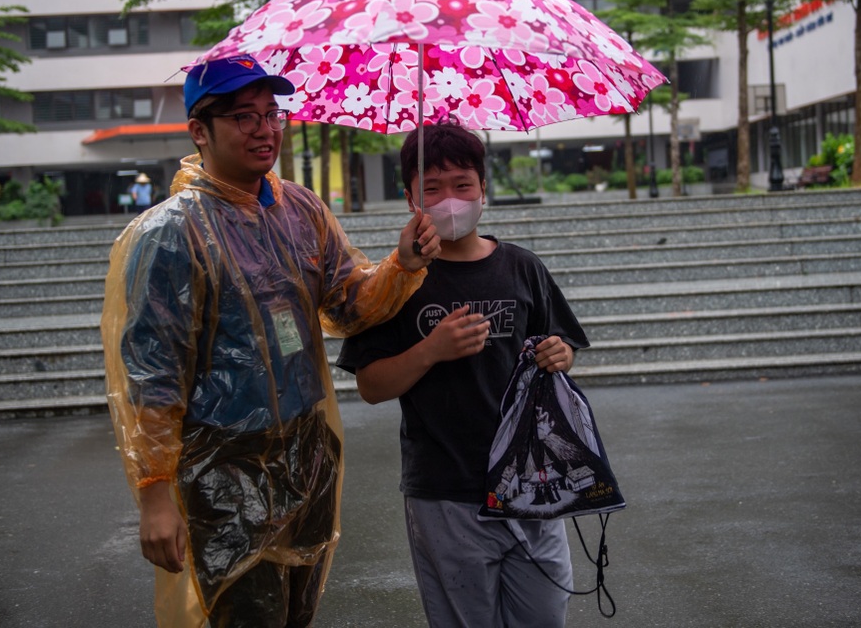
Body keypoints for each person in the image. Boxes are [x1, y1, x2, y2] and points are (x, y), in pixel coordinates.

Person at [100, 54, 440, 628]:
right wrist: (155, 493)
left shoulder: (301, 210)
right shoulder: (170, 233)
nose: (265, 129)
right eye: (243, 116)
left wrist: (402, 265)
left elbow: (347, 304)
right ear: (199, 132)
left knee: (296, 615)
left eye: (272, 113)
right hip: (223, 465)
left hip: (308, 450)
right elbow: (153, 370)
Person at [336, 121, 590, 628]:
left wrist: (560, 355)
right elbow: (370, 387)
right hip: (444, 490)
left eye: (462, 185)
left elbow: (559, 349)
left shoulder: (522, 268)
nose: (449, 199)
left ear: (482, 189)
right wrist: (430, 350)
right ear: (410, 197)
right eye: (431, 188)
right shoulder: (395, 283)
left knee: (544, 617)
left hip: (532, 482)